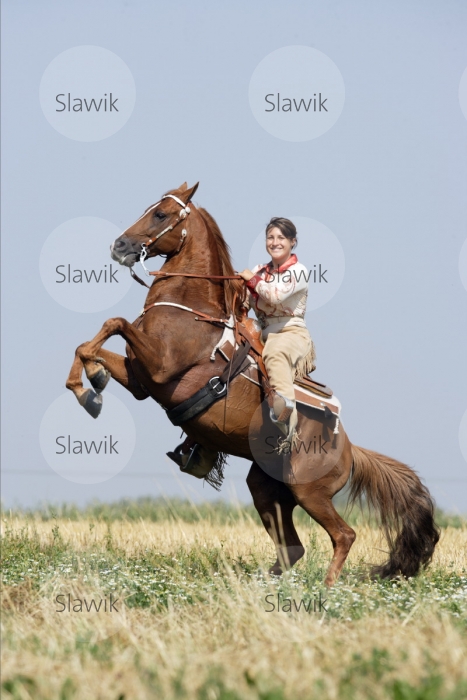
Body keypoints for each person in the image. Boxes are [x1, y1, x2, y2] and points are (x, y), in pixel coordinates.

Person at [239, 217, 316, 451]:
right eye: (270, 237)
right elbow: (245, 299)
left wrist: (251, 280)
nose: (275, 242)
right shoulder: (258, 271)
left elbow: (273, 296)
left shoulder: (300, 272)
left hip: (290, 333)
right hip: (260, 331)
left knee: (274, 354)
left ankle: (287, 426)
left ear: (293, 242)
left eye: (281, 238)